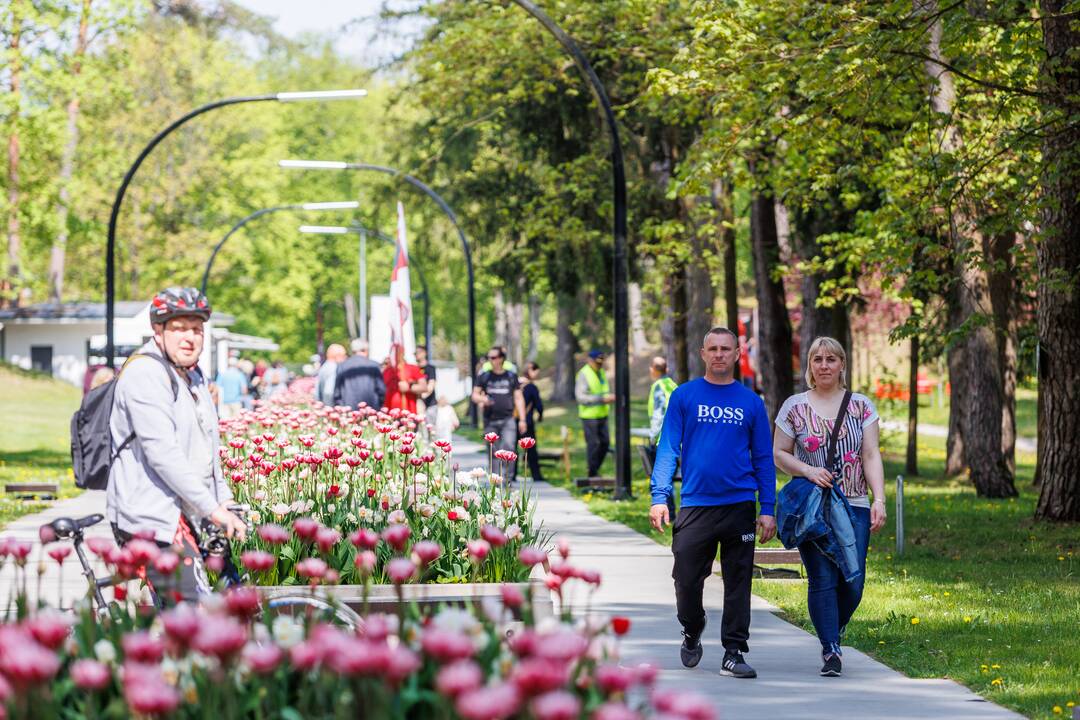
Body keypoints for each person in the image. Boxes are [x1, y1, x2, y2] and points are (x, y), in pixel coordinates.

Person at [649, 327, 777, 679]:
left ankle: (734, 651)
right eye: (713, 349)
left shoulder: (751, 402)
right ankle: (692, 627)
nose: (719, 354)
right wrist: (660, 497)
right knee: (686, 579)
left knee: (738, 581)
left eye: (726, 349)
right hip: (696, 504)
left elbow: (764, 458)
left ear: (737, 354)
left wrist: (767, 508)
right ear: (702, 353)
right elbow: (668, 449)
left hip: (739, 505)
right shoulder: (684, 397)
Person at [108, 287, 246, 602]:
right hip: (150, 517)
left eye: (196, 329)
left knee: (234, 596)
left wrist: (224, 501)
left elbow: (207, 452)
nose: (190, 337)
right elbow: (163, 455)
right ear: (159, 330)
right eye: (179, 328)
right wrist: (212, 509)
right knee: (192, 613)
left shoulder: (193, 376)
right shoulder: (145, 372)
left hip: (190, 510)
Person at [773, 336, 885, 677]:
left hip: (854, 504)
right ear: (809, 365)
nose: (824, 365)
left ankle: (831, 629)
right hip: (814, 507)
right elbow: (779, 453)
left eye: (831, 359)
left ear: (842, 365)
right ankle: (830, 649)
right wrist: (808, 470)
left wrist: (879, 498)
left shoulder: (861, 406)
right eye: (817, 359)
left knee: (854, 581)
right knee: (822, 578)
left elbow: (870, 454)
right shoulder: (794, 406)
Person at [472, 346, 527, 483]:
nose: (491, 360)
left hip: (508, 419)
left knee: (509, 447)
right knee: (493, 451)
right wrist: (483, 399)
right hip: (490, 419)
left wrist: (522, 420)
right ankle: (496, 482)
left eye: (494, 357)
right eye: (489, 357)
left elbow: (518, 398)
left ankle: (507, 480)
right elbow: (474, 395)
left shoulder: (511, 376)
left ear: (501, 358)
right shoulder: (484, 376)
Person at [575, 349, 614, 478]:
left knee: (605, 443)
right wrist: (601, 399)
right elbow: (581, 397)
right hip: (589, 416)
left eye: (601, 363)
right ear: (589, 360)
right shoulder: (584, 374)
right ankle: (592, 473)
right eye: (597, 363)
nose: (599, 365)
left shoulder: (601, 372)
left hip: (602, 414)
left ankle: (594, 469)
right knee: (594, 444)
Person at [333, 339, 386, 410]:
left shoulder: (342, 366)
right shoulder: (374, 365)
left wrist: (342, 407)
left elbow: (337, 393)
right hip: (371, 411)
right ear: (365, 350)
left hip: (349, 412)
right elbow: (381, 390)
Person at [520, 360, 545, 482]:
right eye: (536, 372)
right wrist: (540, 415)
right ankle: (536, 475)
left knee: (512, 448)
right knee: (531, 449)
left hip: (514, 421)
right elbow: (538, 404)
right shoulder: (531, 387)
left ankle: (511, 474)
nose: (537, 375)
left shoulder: (516, 384)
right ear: (531, 371)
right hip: (527, 422)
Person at [415, 345, 438, 420]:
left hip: (430, 405)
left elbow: (431, 386)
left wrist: (422, 398)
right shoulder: (414, 369)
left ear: (425, 353)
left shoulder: (430, 369)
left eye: (418, 352)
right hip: (417, 405)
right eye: (415, 353)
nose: (416, 355)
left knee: (430, 429)